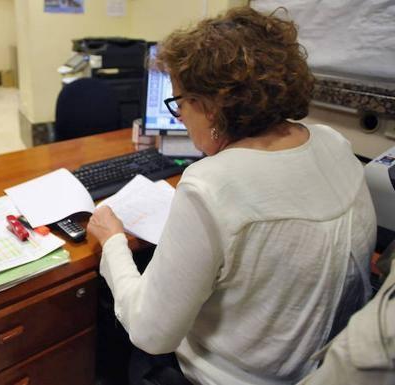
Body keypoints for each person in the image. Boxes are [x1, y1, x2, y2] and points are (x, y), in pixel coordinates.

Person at [87, 6, 377, 385]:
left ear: (212, 105)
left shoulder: (209, 183)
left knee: (110, 307)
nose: (179, 117)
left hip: (228, 376)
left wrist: (112, 241)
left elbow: (151, 334)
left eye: (179, 102)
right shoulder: (334, 143)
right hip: (317, 365)